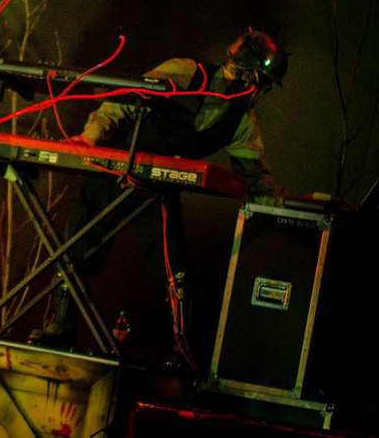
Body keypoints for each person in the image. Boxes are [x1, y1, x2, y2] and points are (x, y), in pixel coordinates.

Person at [36, 30, 289, 358]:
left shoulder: (241, 119)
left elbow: (254, 176)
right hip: (113, 174)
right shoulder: (187, 72)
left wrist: (289, 205)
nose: (262, 92)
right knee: (76, 252)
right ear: (250, 74)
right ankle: (60, 330)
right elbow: (125, 99)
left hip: (157, 191)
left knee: (174, 270)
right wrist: (91, 137)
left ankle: (183, 349)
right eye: (263, 83)